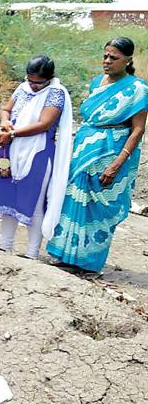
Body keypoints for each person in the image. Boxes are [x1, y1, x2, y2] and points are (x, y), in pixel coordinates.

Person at [47, 37, 148, 272]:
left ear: (128, 60)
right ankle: (64, 254)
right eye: (105, 56)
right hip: (85, 150)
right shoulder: (96, 83)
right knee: (74, 199)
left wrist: (117, 163)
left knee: (99, 206)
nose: (107, 61)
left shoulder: (138, 89)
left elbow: (138, 129)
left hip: (112, 153)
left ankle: (88, 262)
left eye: (114, 58)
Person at [0, 55, 73, 259]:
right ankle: (4, 247)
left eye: (38, 83)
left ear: (49, 79)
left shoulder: (55, 93)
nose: (33, 86)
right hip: (12, 150)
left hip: (38, 153)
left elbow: (44, 124)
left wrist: (13, 133)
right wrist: (6, 122)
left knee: (34, 202)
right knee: (8, 199)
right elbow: (6, 109)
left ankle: (31, 253)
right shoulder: (23, 87)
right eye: (30, 81)